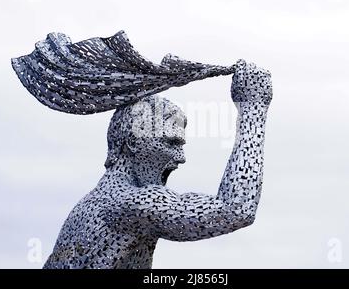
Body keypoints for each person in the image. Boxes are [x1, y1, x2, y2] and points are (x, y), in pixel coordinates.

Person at [43, 59, 273, 269]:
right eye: (171, 142)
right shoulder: (130, 204)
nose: (181, 157)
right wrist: (253, 107)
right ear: (133, 141)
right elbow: (236, 210)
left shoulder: (91, 206)